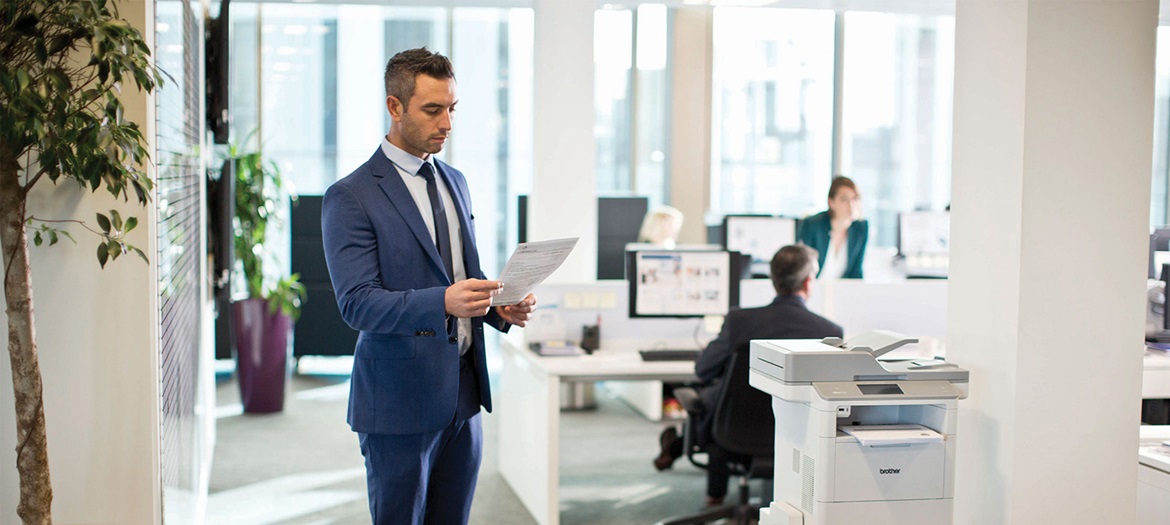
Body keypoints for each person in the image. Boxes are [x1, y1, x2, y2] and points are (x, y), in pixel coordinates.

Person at [321, 47, 536, 525]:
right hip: (398, 403)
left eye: (452, 109)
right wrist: (442, 301)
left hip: (464, 394)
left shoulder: (455, 181)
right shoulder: (350, 196)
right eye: (432, 110)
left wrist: (500, 307)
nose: (447, 124)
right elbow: (357, 304)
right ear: (395, 108)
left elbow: (460, 277)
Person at [653, 245, 843, 507]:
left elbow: (703, 369)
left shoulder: (739, 321)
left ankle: (714, 498)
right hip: (795, 433)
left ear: (772, 280)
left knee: (716, 397)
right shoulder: (829, 331)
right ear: (809, 281)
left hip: (731, 430)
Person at [797, 175, 868, 279]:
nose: (851, 205)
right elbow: (801, 269)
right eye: (844, 199)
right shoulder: (812, 225)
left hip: (841, 291)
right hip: (812, 288)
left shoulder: (861, 228)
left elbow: (856, 272)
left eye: (855, 198)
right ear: (831, 202)